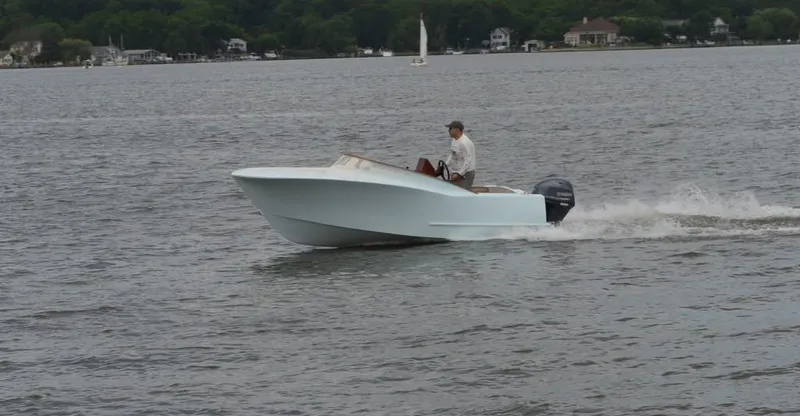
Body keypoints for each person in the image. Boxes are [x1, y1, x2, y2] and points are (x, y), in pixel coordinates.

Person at [437, 120, 476, 190]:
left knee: (463, 193)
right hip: (456, 172)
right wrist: (444, 166)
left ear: (457, 130)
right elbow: (452, 155)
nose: (448, 131)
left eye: (450, 129)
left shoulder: (464, 143)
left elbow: (468, 160)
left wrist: (459, 174)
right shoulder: (454, 140)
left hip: (466, 174)